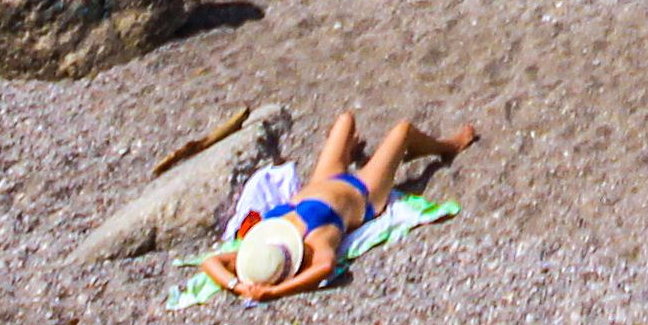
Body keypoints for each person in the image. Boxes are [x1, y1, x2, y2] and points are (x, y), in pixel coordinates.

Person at [207, 112, 483, 299]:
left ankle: (354, 154)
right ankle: (448, 146)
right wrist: (274, 292)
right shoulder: (315, 244)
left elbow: (211, 262)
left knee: (345, 120)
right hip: (364, 192)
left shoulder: (263, 244)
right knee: (403, 130)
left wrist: (238, 286)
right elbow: (324, 269)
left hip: (322, 179)